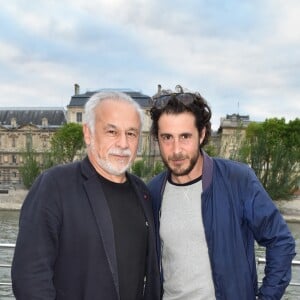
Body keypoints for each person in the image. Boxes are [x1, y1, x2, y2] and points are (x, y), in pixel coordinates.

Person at [148, 85, 296, 300]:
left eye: (185, 137)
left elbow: (281, 242)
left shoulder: (238, 180)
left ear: (202, 135)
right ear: (157, 139)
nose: (176, 149)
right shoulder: (153, 191)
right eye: (167, 138)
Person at [11, 91, 160, 300]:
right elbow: (29, 277)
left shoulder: (142, 192)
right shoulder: (54, 185)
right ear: (88, 133)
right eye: (112, 132)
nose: (123, 144)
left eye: (131, 133)